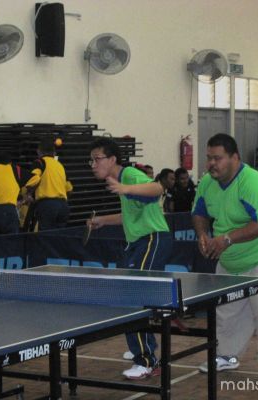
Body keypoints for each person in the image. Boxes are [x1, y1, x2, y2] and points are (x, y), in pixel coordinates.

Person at [192, 133, 258, 382]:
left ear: (234, 157)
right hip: (229, 259)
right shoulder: (207, 183)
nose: (211, 163)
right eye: (209, 158)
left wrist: (226, 239)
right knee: (226, 310)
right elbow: (199, 212)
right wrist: (202, 234)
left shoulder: (255, 183)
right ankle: (226, 355)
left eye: (218, 158)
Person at [86, 137, 172, 380]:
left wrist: (125, 188)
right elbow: (129, 214)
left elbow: (157, 189)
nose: (93, 164)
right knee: (130, 294)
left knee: (134, 294)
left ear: (112, 159)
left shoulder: (130, 176)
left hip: (152, 238)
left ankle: (146, 360)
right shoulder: (123, 183)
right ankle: (142, 347)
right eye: (91, 160)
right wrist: (103, 221)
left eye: (97, 159)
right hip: (137, 242)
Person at [25, 137, 73, 231]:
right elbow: (70, 189)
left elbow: (33, 179)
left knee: (45, 235)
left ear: (38, 151)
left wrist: (28, 194)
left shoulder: (39, 162)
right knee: (58, 236)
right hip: (63, 206)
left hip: (47, 205)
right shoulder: (60, 166)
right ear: (54, 153)